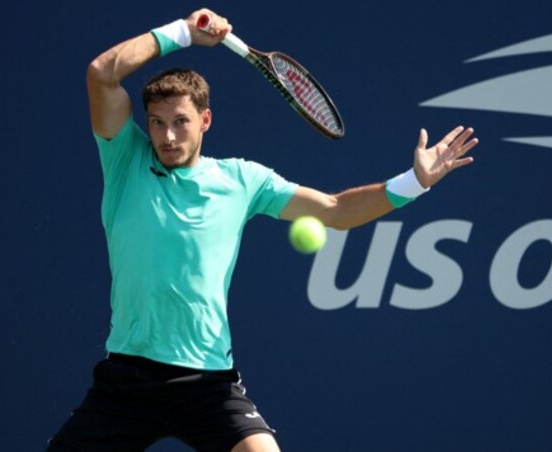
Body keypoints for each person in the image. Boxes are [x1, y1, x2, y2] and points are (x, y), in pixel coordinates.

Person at [48, 7, 478, 452]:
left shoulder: (242, 180)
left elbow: (334, 210)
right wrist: (182, 33)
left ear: (206, 121)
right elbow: (102, 73)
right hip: (127, 380)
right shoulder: (126, 160)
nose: (167, 137)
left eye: (180, 122)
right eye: (157, 123)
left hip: (207, 383)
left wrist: (414, 183)